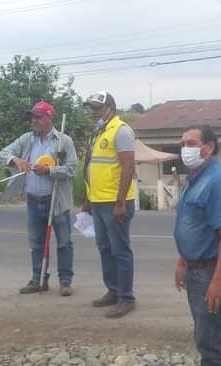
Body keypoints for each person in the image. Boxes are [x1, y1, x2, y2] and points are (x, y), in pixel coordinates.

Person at [173, 125, 221, 366]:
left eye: (190, 143)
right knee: (206, 337)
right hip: (196, 267)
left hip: (210, 272)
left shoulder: (217, 181)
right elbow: (195, 225)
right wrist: (183, 260)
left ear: (209, 147)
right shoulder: (196, 177)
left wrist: (218, 281)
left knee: (211, 341)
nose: (184, 149)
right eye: (182, 143)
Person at [0, 100, 78, 296]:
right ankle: (38, 279)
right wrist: (15, 159)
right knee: (36, 243)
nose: (34, 120)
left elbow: (72, 169)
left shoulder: (63, 141)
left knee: (64, 242)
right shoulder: (27, 139)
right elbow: (1, 153)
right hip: (34, 199)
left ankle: (65, 281)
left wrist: (49, 170)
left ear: (49, 117)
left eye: (38, 117)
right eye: (33, 117)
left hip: (56, 200)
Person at [81, 91, 137, 318]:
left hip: (115, 202)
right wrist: (88, 199)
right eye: (91, 109)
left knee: (120, 251)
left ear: (110, 108)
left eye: (97, 108)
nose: (93, 113)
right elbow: (93, 168)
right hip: (98, 201)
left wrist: (120, 202)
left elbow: (128, 167)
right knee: (105, 248)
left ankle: (126, 298)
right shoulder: (98, 132)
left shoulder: (121, 131)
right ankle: (113, 290)